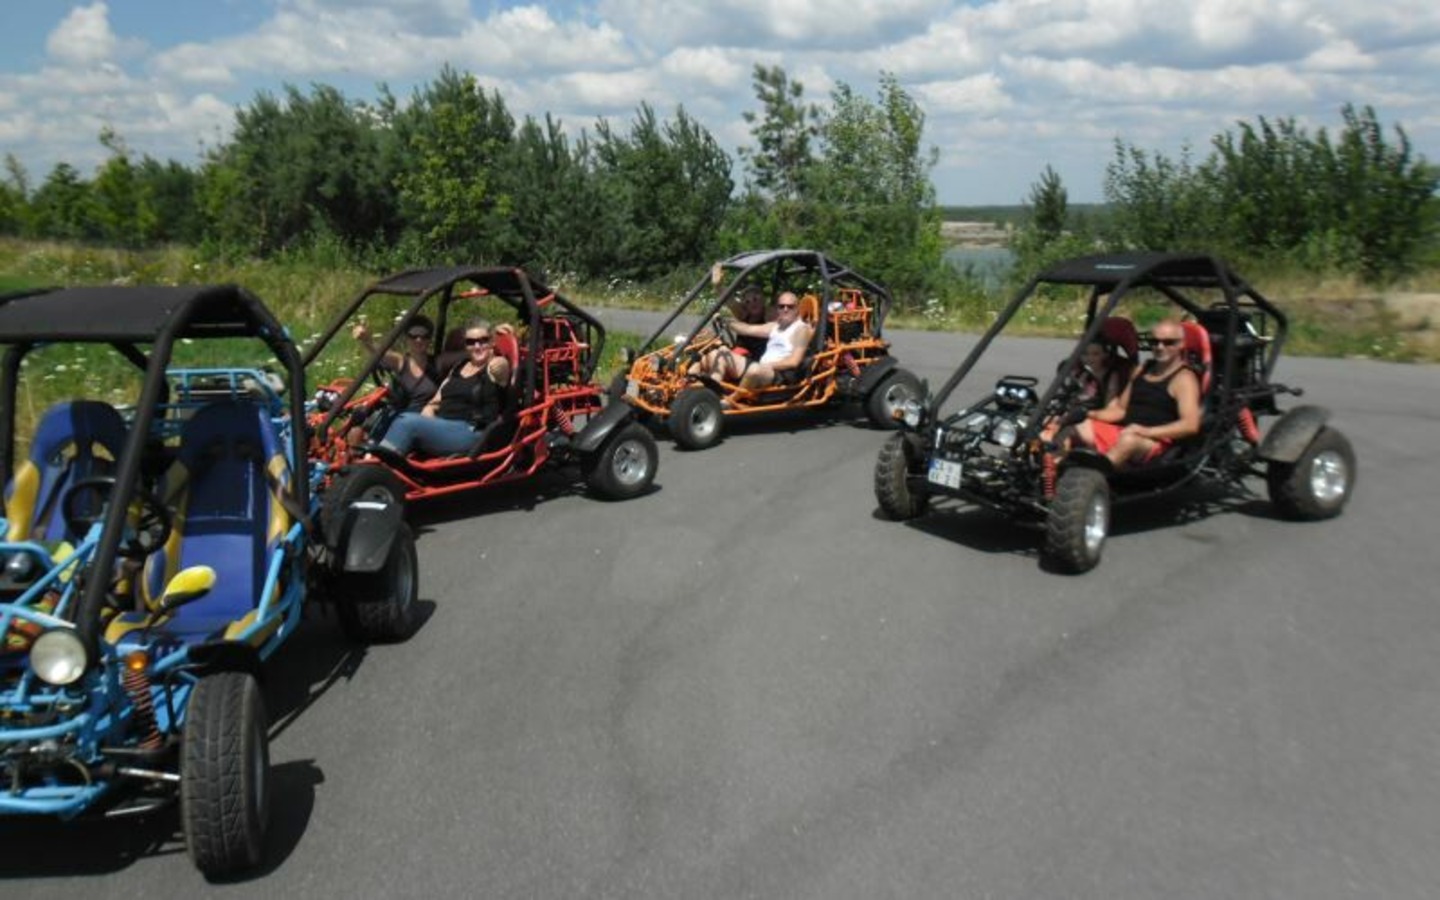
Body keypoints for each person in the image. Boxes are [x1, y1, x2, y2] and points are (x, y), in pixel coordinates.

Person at [1071, 319, 1201, 469]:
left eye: (1168, 342)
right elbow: (1120, 410)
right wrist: (1086, 413)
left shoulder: (1184, 379)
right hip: (1126, 431)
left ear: (1181, 344)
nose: (1160, 347)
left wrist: (1146, 431)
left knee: (1129, 440)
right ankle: (1054, 473)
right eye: (1154, 342)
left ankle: (1095, 475)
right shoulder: (1142, 369)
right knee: (1071, 426)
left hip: (1156, 441)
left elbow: (1190, 425)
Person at [378, 320, 514, 456]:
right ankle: (374, 457)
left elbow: (500, 367)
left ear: (491, 342)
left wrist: (499, 344)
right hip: (444, 425)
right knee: (388, 417)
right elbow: (436, 400)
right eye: (471, 342)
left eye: (483, 340)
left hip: (472, 432)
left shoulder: (496, 364)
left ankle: (381, 462)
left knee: (407, 422)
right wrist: (429, 409)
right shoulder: (459, 367)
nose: (477, 346)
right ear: (465, 346)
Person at [704, 291, 813, 392]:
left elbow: (794, 362)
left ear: (797, 308)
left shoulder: (802, 329)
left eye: (790, 306)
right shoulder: (775, 326)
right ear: (777, 309)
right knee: (720, 353)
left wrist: (766, 365)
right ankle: (711, 393)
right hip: (761, 368)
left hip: (779, 374)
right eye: (781, 306)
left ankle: (731, 400)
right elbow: (747, 329)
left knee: (754, 369)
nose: (785, 309)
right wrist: (725, 321)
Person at [352, 314, 438, 412]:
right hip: (402, 415)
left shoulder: (439, 362)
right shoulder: (401, 361)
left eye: (424, 336)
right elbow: (380, 352)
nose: (419, 340)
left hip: (428, 416)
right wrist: (367, 340)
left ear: (430, 339)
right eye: (413, 336)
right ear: (406, 338)